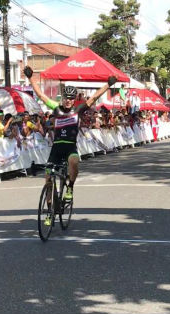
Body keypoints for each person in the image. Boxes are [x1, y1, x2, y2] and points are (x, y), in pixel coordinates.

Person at [24, 65, 116, 225]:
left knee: (74, 162)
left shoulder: (78, 109)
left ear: (74, 100)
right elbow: (40, 94)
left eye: (71, 98)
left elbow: (94, 97)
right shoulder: (55, 108)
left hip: (70, 147)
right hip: (57, 147)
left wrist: (108, 84)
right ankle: (49, 211)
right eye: (66, 97)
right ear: (62, 97)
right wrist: (31, 77)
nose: (68, 100)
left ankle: (70, 188)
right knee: (48, 179)